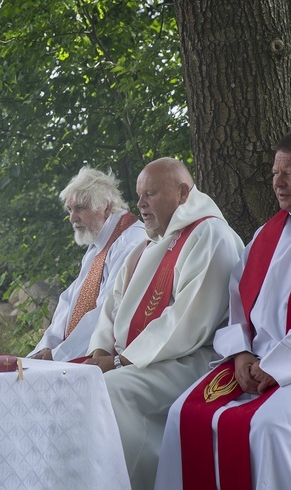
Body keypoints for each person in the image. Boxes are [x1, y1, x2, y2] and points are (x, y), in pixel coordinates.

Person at [155, 128, 291, 490]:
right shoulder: (265, 235)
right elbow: (238, 302)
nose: (279, 183)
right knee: (184, 413)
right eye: (275, 173)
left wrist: (277, 364)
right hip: (257, 363)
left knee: (270, 426)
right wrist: (240, 351)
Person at [85, 158, 244, 490]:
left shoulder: (211, 235)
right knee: (76, 383)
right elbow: (112, 306)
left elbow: (188, 319)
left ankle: (138, 481)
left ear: (183, 192)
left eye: (150, 194)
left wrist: (117, 362)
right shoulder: (149, 244)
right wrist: (99, 349)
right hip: (142, 358)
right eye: (139, 194)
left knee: (111, 391)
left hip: (195, 359)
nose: (140, 204)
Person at [28, 167, 146, 361]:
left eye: (80, 208)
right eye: (70, 209)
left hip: (112, 359)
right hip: (74, 356)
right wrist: (43, 349)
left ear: (107, 207)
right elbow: (68, 303)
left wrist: (57, 356)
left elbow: (104, 312)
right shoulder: (99, 242)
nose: (72, 218)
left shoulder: (133, 241)